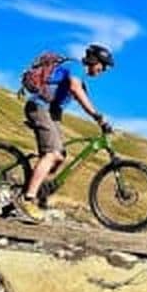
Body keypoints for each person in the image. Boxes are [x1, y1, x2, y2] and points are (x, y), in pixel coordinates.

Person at [14, 43, 113, 222]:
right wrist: (97, 116)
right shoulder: (75, 67)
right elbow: (75, 89)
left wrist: (100, 121)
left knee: (60, 156)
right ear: (94, 61)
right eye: (103, 66)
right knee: (52, 154)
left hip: (51, 112)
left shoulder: (80, 78)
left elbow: (83, 99)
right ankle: (27, 200)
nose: (103, 70)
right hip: (39, 107)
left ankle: (37, 190)